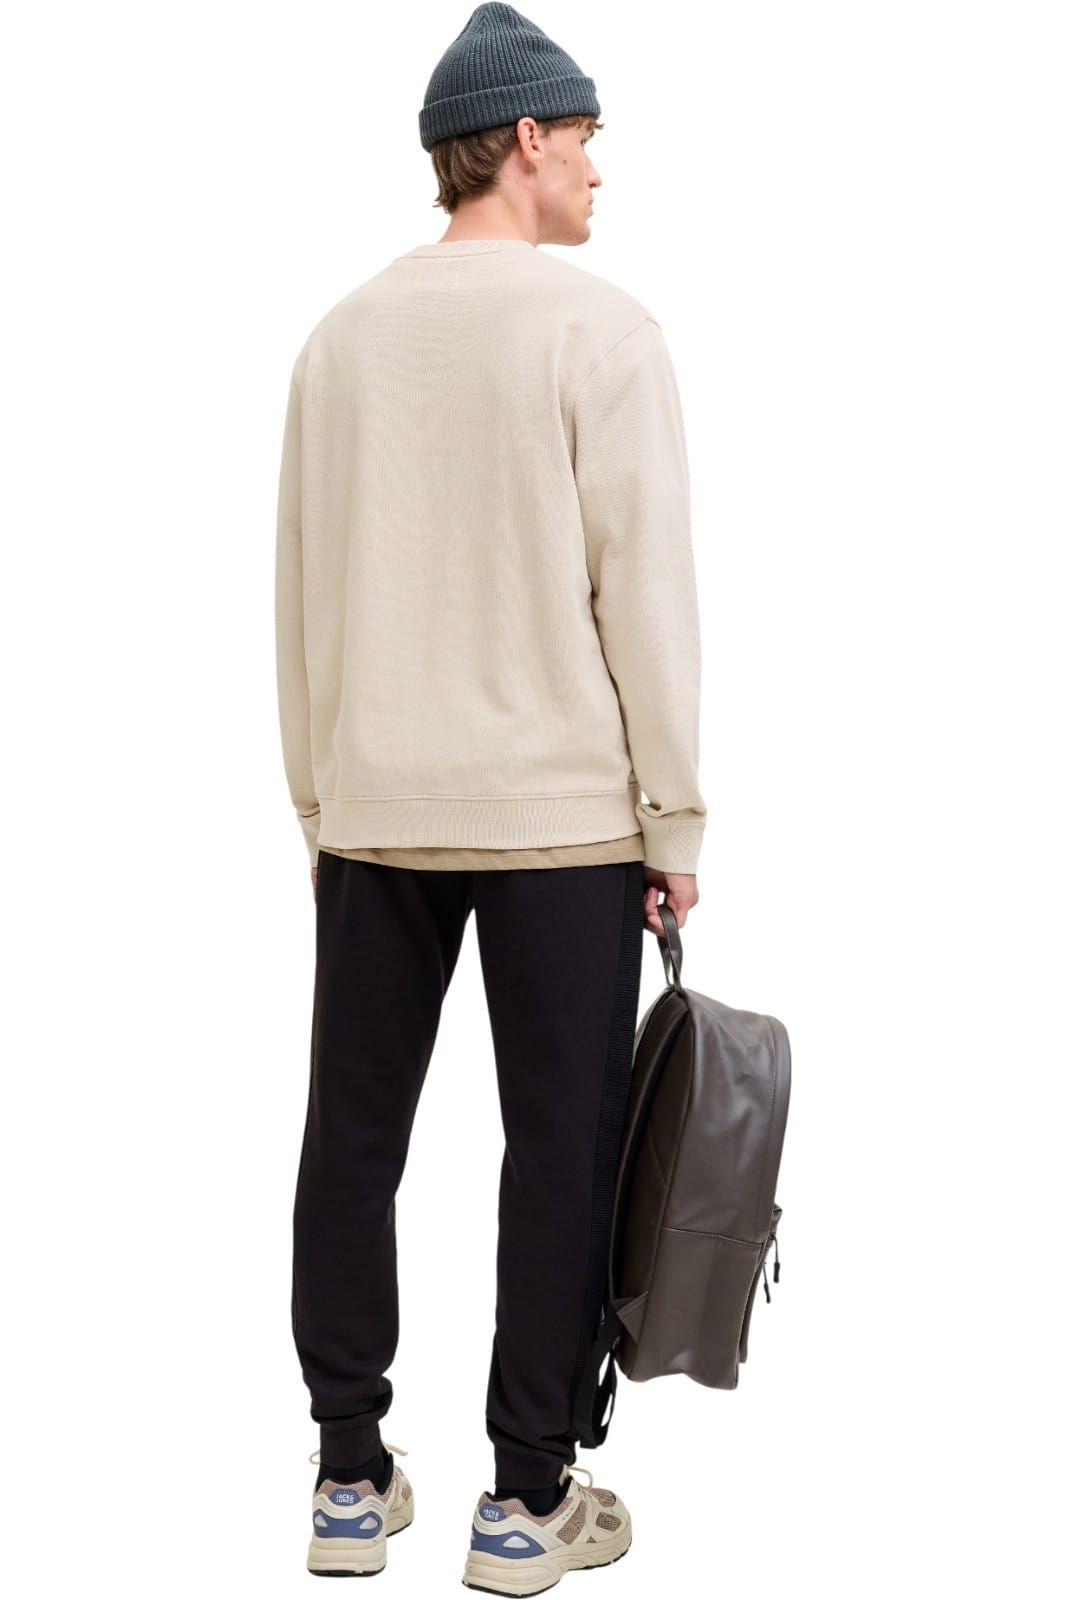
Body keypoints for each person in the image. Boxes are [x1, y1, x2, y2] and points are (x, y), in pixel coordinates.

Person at [274, 4, 707, 1589]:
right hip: (561, 820)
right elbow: (642, 598)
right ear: (524, 138)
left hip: (376, 806)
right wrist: (674, 821)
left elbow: (300, 598)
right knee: (558, 1152)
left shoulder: (340, 340)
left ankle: (345, 1477)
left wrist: (319, 805)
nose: (597, 169)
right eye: (583, 138)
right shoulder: (603, 336)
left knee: (351, 1141)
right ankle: (524, 1504)